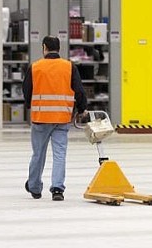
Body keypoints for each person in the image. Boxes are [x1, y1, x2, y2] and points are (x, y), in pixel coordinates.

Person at [23, 35, 87, 201]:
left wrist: (30, 105)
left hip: (40, 118)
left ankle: (35, 187)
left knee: (38, 153)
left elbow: (26, 90)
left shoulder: (35, 67)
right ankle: (57, 189)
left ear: (44, 47)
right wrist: (82, 109)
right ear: (59, 48)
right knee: (60, 153)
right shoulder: (69, 67)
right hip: (62, 117)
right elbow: (79, 90)